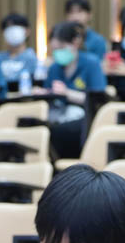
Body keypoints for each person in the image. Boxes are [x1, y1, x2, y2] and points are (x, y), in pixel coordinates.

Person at [38, 20, 108, 159]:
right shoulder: (54, 68)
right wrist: (44, 93)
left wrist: (67, 93)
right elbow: (50, 94)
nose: (58, 53)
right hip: (58, 114)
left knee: (59, 131)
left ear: (75, 42)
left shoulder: (91, 63)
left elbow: (98, 100)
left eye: (61, 48)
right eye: (54, 50)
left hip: (85, 117)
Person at [0, 12, 40, 92]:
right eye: (8, 28)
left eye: (16, 27)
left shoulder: (33, 58)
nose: (12, 32)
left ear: (27, 31)